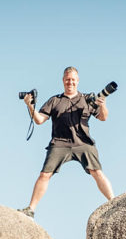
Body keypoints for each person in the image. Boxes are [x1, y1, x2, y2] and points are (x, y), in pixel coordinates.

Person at [17, 67, 114, 218]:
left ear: (78, 81)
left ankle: (114, 202)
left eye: (73, 80)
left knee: (97, 172)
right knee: (44, 175)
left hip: (83, 143)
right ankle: (31, 209)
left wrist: (103, 105)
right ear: (63, 81)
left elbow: (103, 117)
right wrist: (30, 106)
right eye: (68, 79)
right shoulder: (55, 100)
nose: (70, 82)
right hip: (59, 143)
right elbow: (39, 120)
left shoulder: (87, 99)